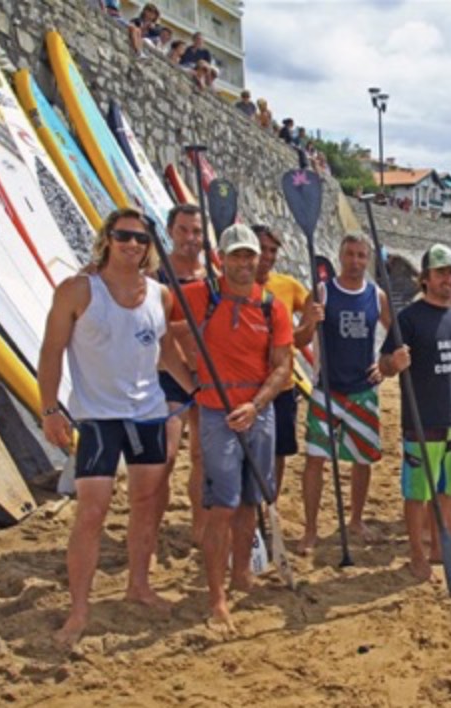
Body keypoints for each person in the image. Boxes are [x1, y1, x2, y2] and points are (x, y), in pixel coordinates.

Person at [38, 208, 195, 648]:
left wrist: (200, 395)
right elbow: (51, 352)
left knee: (147, 502)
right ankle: (79, 610)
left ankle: (139, 586)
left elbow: (167, 354)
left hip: (147, 412)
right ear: (107, 238)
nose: (132, 245)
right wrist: (49, 409)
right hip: (96, 416)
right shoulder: (77, 290)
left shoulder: (159, 295)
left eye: (141, 239)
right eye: (124, 236)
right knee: (92, 510)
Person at [168, 224, 292, 630]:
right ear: (221, 259)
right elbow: (154, 321)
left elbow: (282, 367)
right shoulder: (197, 296)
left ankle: (242, 573)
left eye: (249, 256)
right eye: (236, 255)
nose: (243, 263)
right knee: (221, 505)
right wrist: (190, 378)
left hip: (259, 410)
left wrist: (255, 406)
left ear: (258, 259)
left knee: (250, 500)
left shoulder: (273, 306)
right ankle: (217, 597)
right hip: (216, 413)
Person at [378, 244, 451, 582]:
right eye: (441, 273)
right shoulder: (408, 318)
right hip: (420, 423)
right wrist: (395, 362)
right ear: (426, 279)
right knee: (418, 493)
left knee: (449, 490)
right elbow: (384, 364)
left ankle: (441, 547)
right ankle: (417, 555)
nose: (449, 279)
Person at [295, 234, 393, 553]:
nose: (355, 261)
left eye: (361, 256)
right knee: (315, 460)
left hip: (363, 392)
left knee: (362, 460)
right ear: (340, 257)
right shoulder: (323, 291)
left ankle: (356, 519)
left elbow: (396, 334)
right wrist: (309, 322)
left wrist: (384, 364)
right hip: (326, 390)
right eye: (349, 254)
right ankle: (310, 530)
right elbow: (298, 340)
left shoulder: (376, 296)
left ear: (368, 260)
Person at [158, 205, 207, 544]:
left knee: (202, 457)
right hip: (165, 375)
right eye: (183, 230)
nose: (190, 238)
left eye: (197, 231)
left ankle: (200, 530)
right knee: (165, 456)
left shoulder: (212, 277)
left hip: (204, 374)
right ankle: (152, 526)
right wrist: (188, 328)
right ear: (171, 232)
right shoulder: (156, 277)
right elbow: (149, 328)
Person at [252, 225, 310, 501]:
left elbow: (310, 313)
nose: (267, 256)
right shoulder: (229, 286)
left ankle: (269, 503)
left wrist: (309, 324)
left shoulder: (287, 286)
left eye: (272, 250)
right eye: (262, 248)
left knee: (278, 450)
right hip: (245, 383)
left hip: (283, 384)